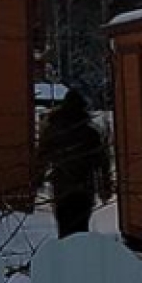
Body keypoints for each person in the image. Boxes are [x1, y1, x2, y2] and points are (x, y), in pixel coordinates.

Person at [38, 89, 110, 238]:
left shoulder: (52, 131)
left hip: (61, 188)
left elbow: (41, 158)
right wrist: (105, 187)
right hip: (84, 190)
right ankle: (79, 255)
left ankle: (66, 255)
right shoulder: (91, 133)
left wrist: (37, 180)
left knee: (64, 227)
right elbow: (102, 162)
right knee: (81, 228)